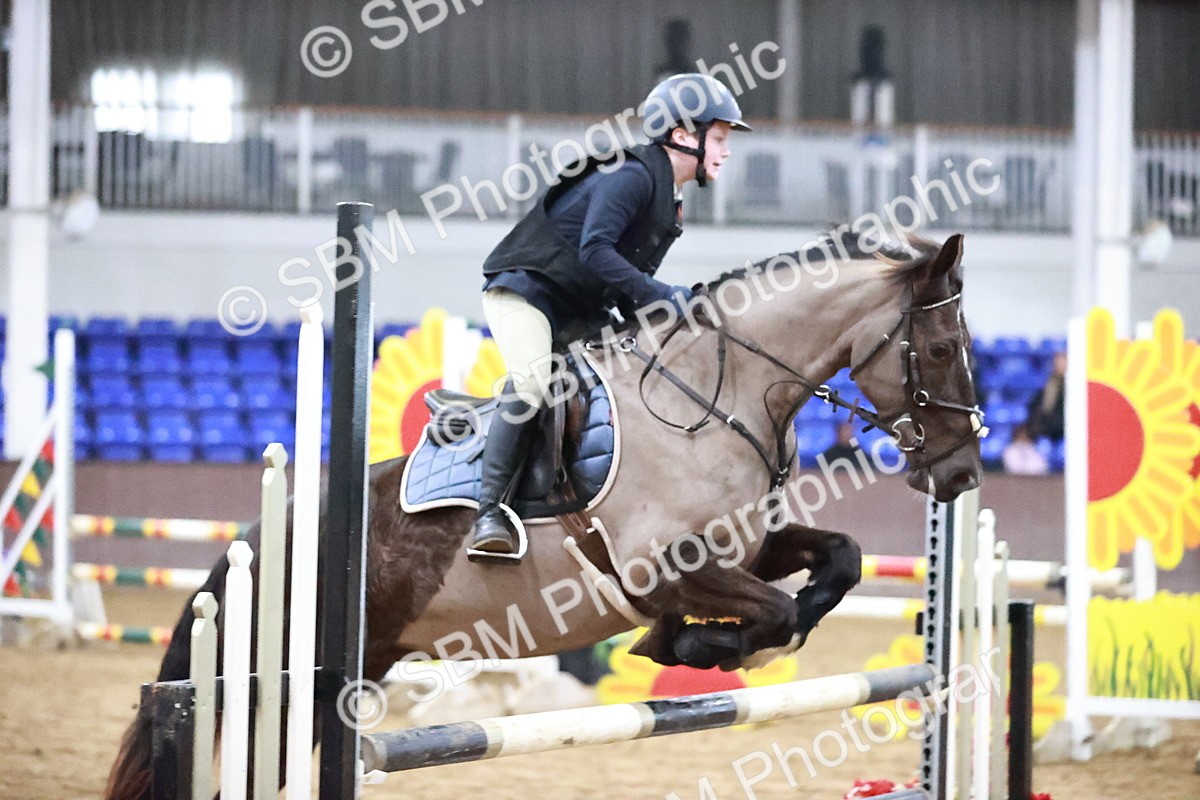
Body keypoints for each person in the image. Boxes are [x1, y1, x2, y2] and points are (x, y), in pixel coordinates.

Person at [468, 73, 751, 561]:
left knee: (637, 373)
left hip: (579, 307)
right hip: (526, 292)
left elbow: (627, 288)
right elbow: (595, 249)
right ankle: (488, 513)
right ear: (684, 135)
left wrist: (679, 321)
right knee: (534, 383)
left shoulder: (670, 202)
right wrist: (666, 296)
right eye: (721, 139)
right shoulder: (633, 177)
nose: (726, 152)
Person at [1026, 352, 1066, 442]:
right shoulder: (1049, 385)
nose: (1061, 365)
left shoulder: (1078, 388)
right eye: (1057, 362)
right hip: (1049, 431)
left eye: (1064, 361)